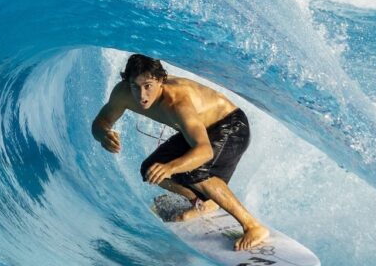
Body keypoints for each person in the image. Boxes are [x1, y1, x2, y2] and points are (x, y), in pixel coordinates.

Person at [91, 54, 268, 251]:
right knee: (150, 169)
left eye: (148, 86)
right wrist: (103, 134)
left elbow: (204, 151)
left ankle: (253, 226)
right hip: (199, 130)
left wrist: (171, 167)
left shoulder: (176, 102)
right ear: (128, 83)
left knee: (194, 171)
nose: (142, 95)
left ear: (161, 81)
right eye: (135, 86)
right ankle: (203, 202)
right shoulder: (123, 93)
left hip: (231, 126)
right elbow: (101, 122)